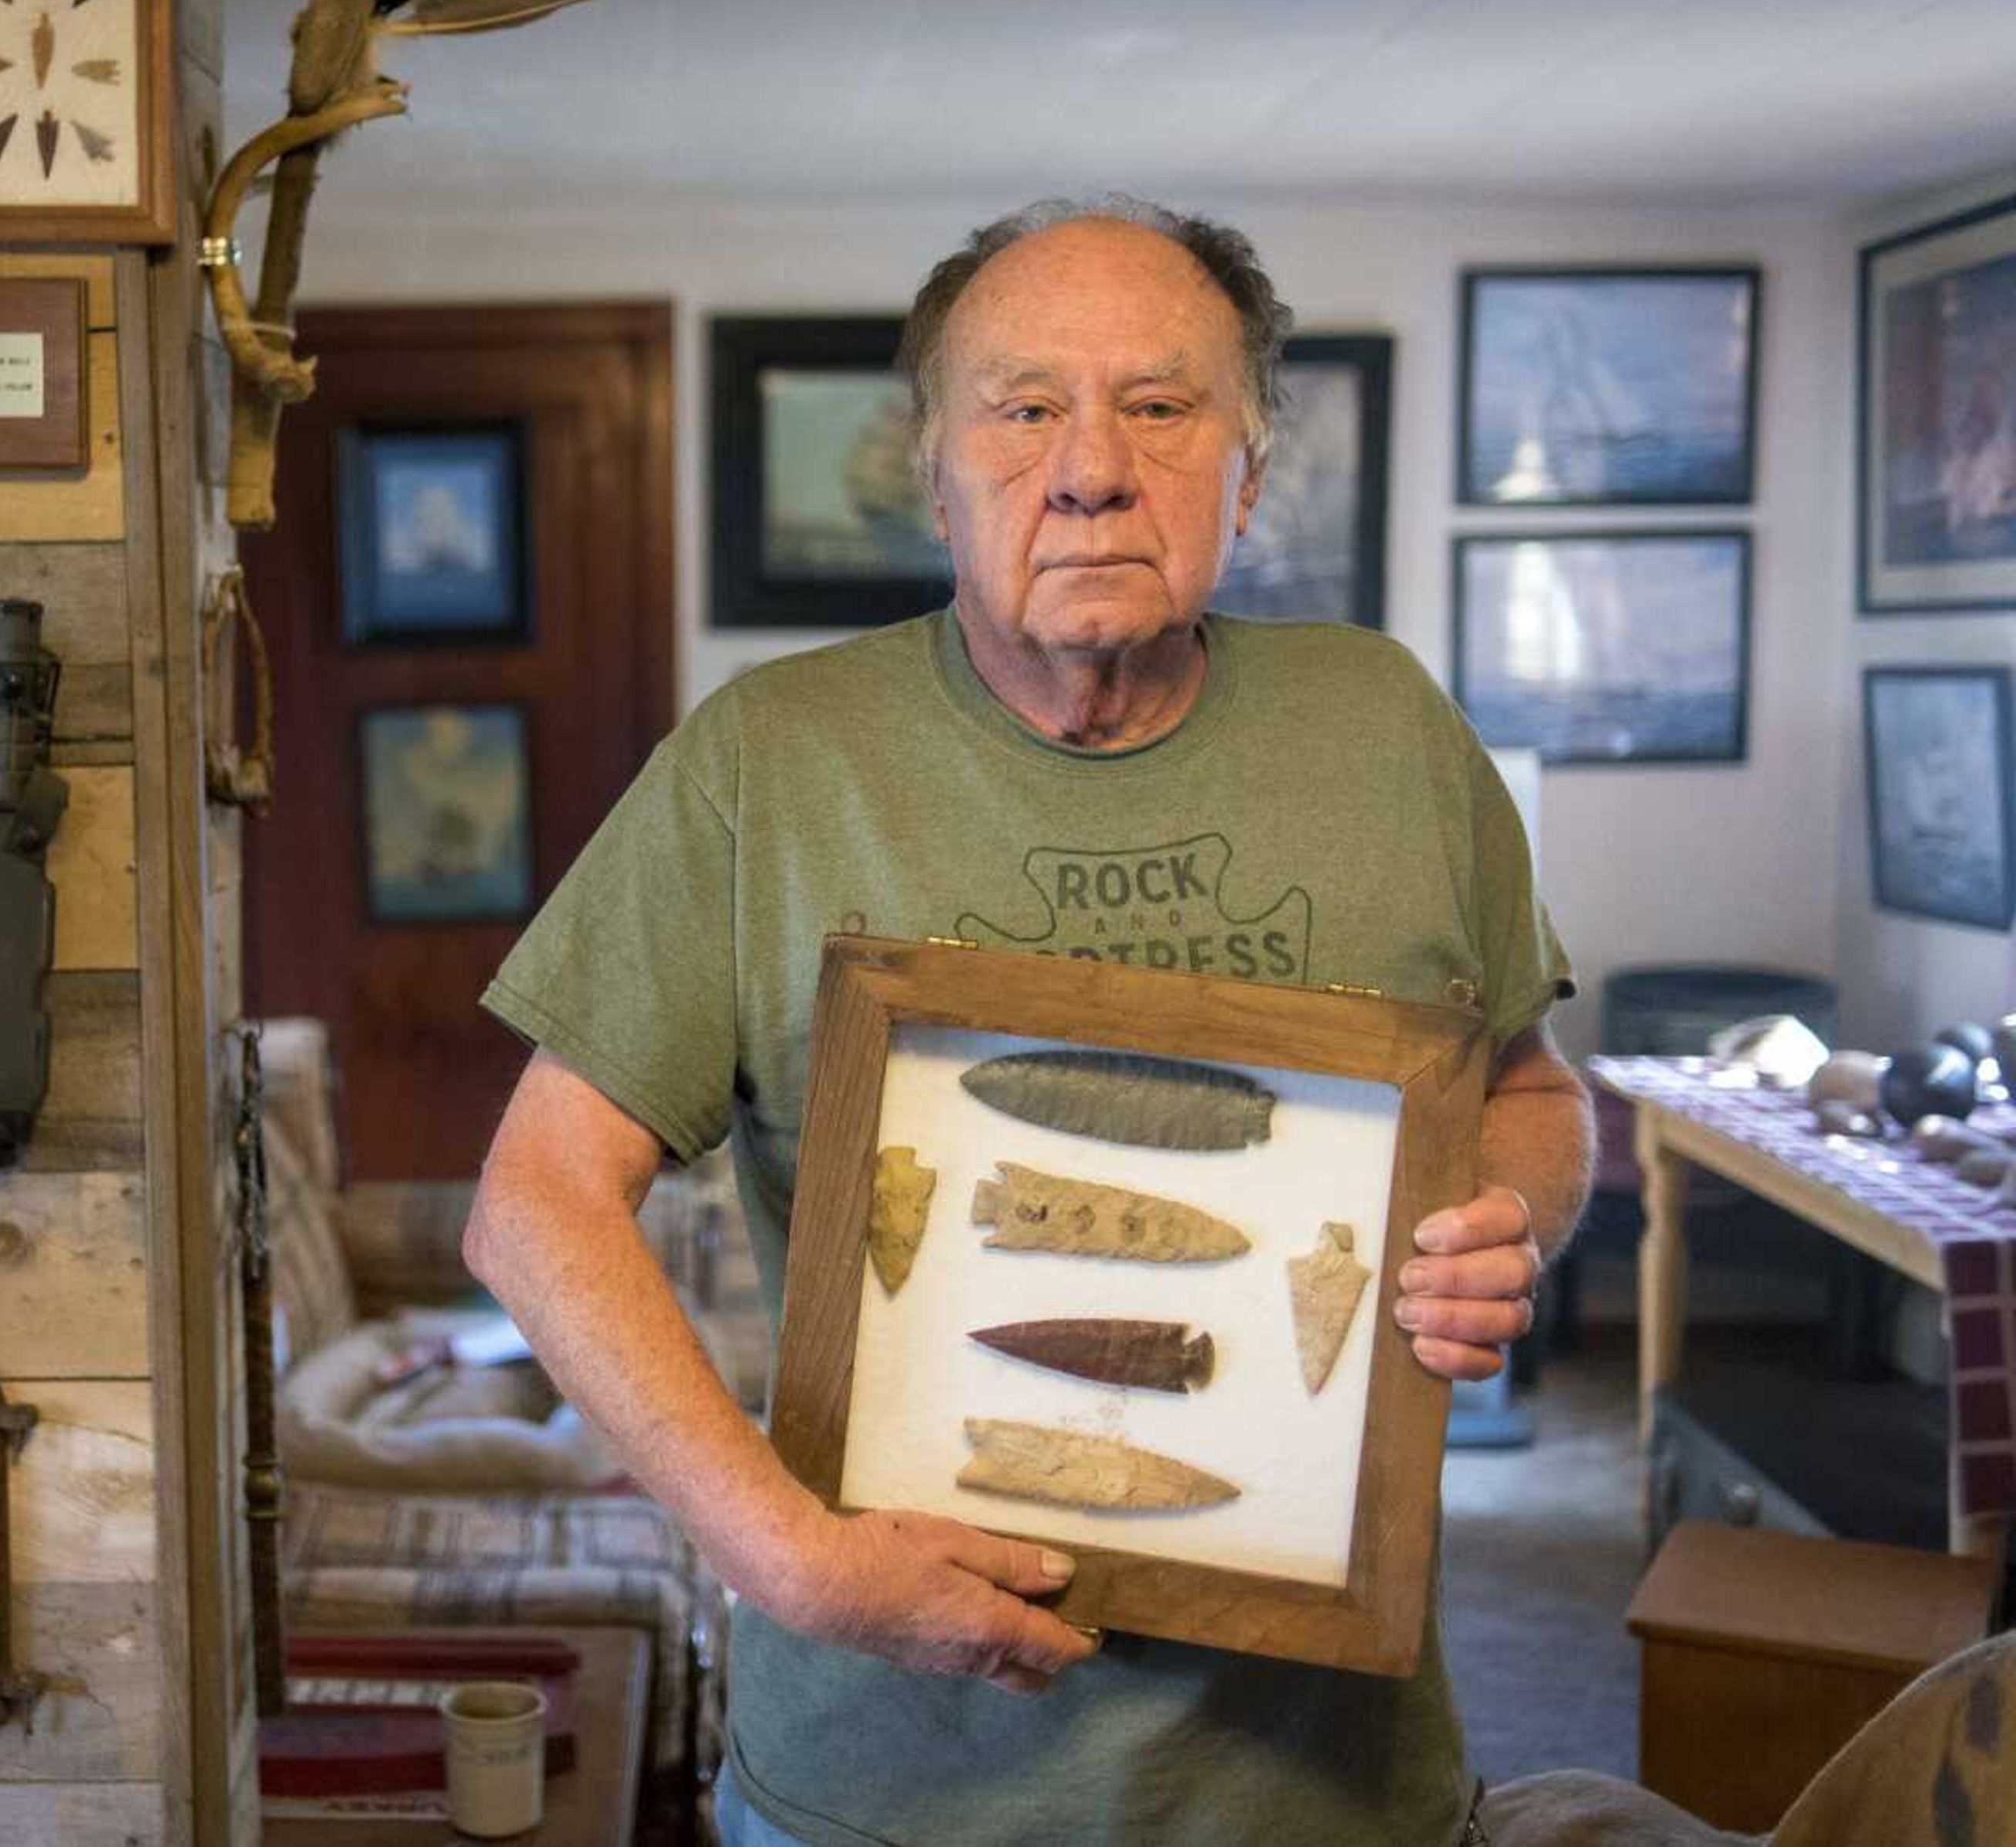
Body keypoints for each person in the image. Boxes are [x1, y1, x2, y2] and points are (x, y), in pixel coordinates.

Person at [465, 196, 1594, 1847]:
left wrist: (1510, 1222)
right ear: (933, 469)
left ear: (1251, 466)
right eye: (1023, 408)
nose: (1090, 468)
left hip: (1331, 1789)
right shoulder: (770, 764)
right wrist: (786, 1555)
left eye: (1160, 404)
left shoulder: (1393, 729)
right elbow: (534, 1201)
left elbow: (1530, 1088)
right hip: (882, 1785)